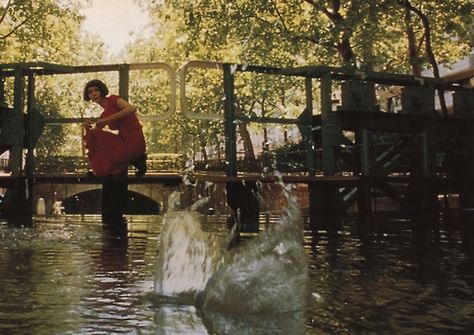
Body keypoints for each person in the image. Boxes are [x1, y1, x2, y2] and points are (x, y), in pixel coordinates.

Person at [83, 79, 147, 177]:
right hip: (122, 140)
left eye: (96, 90)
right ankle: (99, 170)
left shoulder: (113, 100)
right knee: (93, 135)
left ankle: (136, 159)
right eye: (90, 92)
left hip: (134, 139)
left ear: (102, 91)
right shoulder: (104, 114)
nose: (94, 94)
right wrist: (87, 127)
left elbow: (132, 109)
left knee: (99, 140)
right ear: (89, 97)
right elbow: (95, 134)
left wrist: (106, 120)